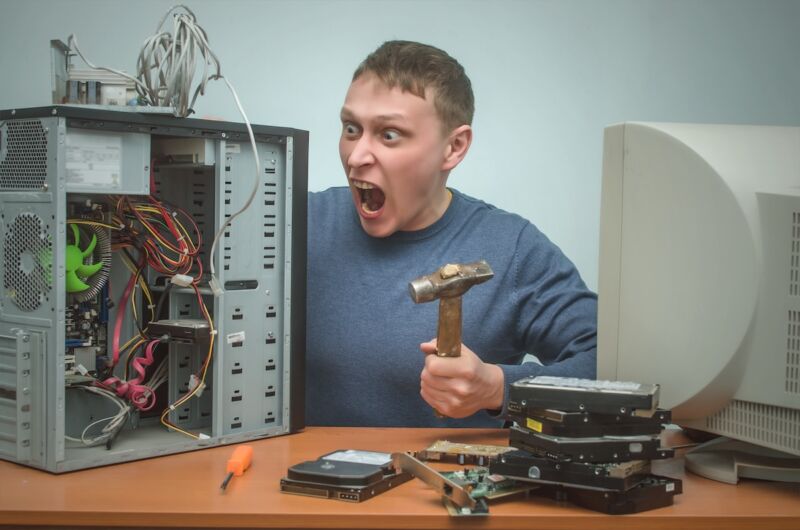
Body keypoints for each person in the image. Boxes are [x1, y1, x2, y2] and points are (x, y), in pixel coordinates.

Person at [306, 40, 597, 427]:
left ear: (454, 147)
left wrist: (498, 388)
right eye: (351, 128)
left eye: (389, 134)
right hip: (300, 482)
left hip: (440, 484)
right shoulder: (297, 222)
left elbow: (612, 368)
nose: (357, 156)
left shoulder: (511, 248)